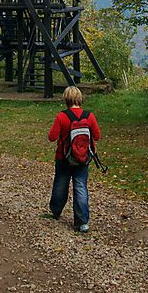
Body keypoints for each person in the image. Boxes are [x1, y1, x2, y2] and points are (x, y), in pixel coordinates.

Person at [47, 85, 101, 233]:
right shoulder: (89, 116)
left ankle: (56, 211)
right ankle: (82, 222)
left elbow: (52, 137)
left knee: (60, 184)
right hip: (83, 158)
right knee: (81, 186)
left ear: (66, 99)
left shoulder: (62, 116)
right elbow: (97, 136)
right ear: (79, 98)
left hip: (64, 158)